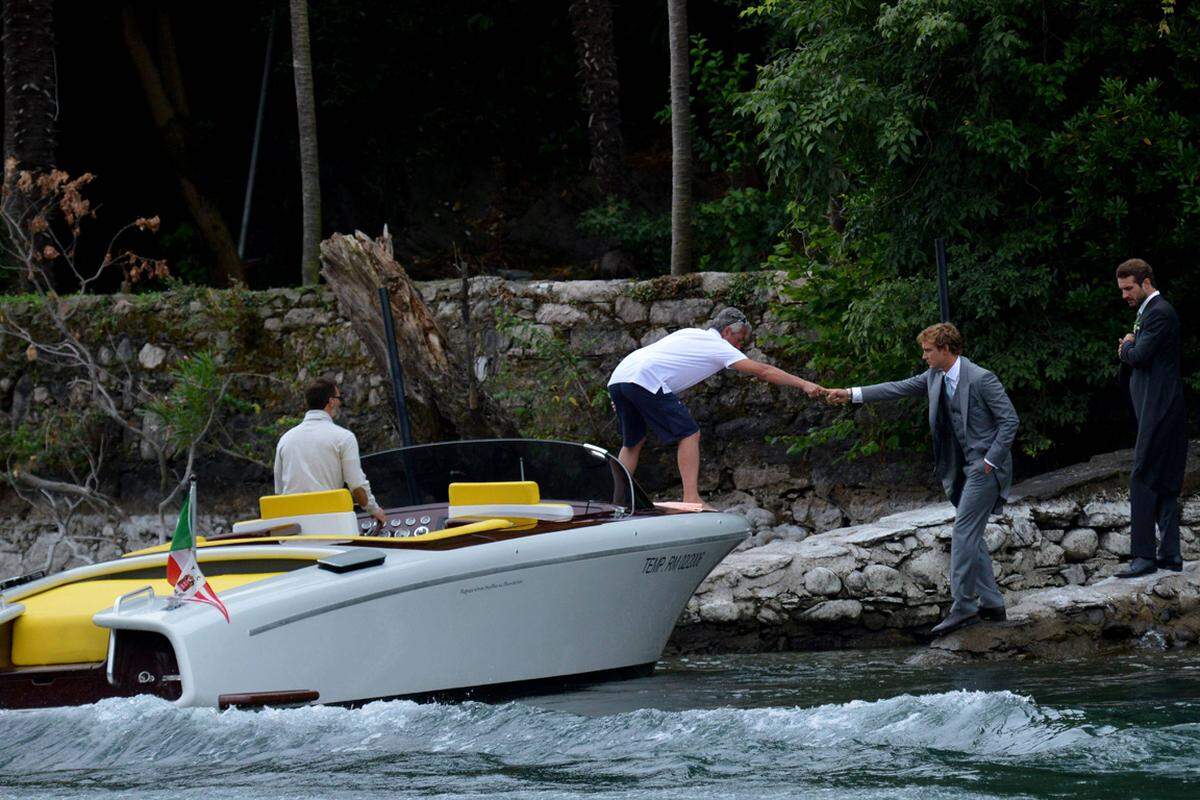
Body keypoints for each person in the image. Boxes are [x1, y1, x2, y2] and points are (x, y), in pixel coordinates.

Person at [827, 323, 1018, 636]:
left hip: (985, 469)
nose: (923, 356)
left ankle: (964, 607)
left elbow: (1009, 420)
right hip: (962, 468)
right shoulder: (935, 377)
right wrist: (850, 394)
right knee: (972, 535)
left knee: (963, 533)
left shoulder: (982, 378)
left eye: (928, 350)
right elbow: (896, 388)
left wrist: (989, 461)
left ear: (945, 349)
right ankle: (993, 603)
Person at [607, 307, 825, 506]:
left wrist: (625, 394)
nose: (740, 346)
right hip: (644, 378)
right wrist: (804, 384)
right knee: (689, 433)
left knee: (632, 442)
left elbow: (656, 359)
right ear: (728, 331)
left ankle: (615, 501)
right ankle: (691, 498)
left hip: (620, 377)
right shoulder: (719, 346)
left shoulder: (689, 333)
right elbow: (764, 371)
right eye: (740, 340)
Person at [1114, 258, 1188, 577]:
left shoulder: (1159, 312)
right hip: (1162, 408)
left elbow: (1140, 356)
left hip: (1160, 410)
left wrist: (1125, 348)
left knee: (1143, 477)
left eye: (1129, 288)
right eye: (1122, 289)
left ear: (1146, 283)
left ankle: (1144, 557)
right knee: (1165, 480)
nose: (1124, 295)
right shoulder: (1151, 312)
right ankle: (1170, 555)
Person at [274, 378, 388, 526]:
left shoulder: (285, 440)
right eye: (339, 398)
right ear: (331, 401)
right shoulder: (343, 437)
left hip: (293, 530)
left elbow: (279, 492)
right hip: (330, 525)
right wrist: (374, 510)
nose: (340, 403)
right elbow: (357, 486)